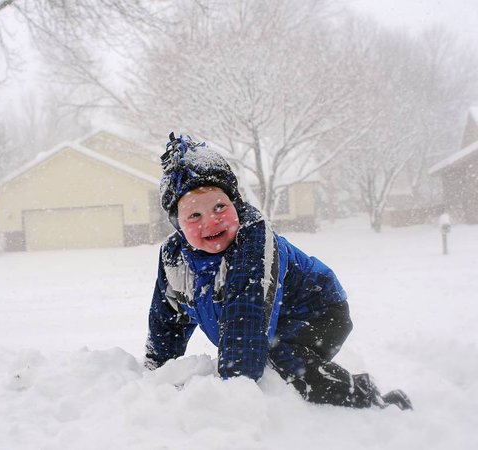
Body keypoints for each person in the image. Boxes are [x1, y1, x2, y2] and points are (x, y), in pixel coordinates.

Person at [144, 133, 413, 410]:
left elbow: (247, 318)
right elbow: (166, 323)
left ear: (235, 204)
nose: (211, 221)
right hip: (267, 322)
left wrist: (234, 396)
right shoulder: (174, 259)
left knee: (282, 361)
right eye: (194, 216)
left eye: (219, 207)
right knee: (268, 352)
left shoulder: (253, 241)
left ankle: (369, 400)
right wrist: (155, 375)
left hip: (319, 311)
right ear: (178, 224)